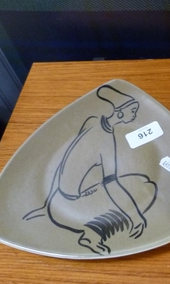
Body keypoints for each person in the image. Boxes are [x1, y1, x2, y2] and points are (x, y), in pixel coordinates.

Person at [24, 84, 157, 255]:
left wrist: (49, 201)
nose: (135, 115)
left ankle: (88, 225)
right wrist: (136, 216)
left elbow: (64, 160)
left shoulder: (92, 121)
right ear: (120, 112)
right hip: (74, 204)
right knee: (146, 190)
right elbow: (112, 186)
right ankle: (93, 235)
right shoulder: (105, 140)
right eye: (133, 110)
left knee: (139, 180)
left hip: (59, 198)